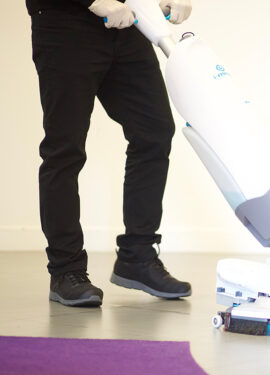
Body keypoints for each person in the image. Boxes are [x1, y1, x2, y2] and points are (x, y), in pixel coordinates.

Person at [26, 0, 193, 307]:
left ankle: (137, 256)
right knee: (65, 150)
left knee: (153, 132)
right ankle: (66, 271)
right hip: (65, 23)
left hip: (128, 22)